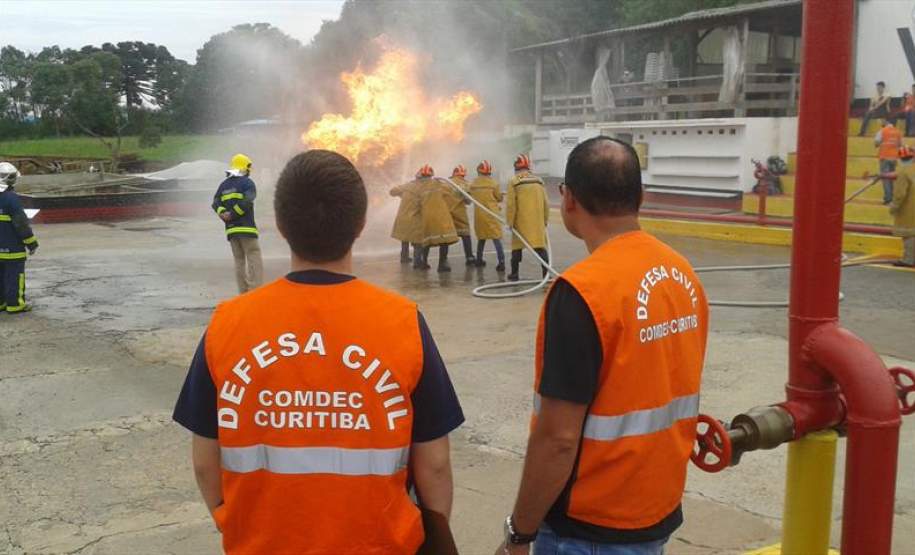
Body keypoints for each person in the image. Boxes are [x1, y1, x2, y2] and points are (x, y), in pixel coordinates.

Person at [173, 150, 464, 554]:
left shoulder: (229, 324)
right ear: (361, 225)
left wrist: (238, 524)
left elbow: (206, 462)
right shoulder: (402, 323)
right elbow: (434, 464)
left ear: (279, 224)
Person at [495, 137, 709, 555]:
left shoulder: (582, 292)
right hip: (655, 509)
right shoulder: (681, 274)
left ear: (568, 199)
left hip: (590, 526)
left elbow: (557, 437)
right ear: (640, 197)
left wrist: (519, 533)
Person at [212, 153, 263, 293]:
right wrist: (233, 214)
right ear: (243, 168)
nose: (248, 172)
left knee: (239, 260)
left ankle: (243, 291)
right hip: (247, 228)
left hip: (231, 230)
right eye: (247, 169)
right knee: (253, 256)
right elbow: (248, 200)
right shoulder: (247, 183)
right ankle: (255, 290)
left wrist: (223, 213)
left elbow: (215, 202)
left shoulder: (223, 185)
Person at [0, 162, 38, 314]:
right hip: (13, 249)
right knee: (14, 277)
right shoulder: (12, 199)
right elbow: (21, 225)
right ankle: (15, 304)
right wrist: (32, 243)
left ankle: (1, 303)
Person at [506, 154, 550, 282]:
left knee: (516, 248)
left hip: (521, 222)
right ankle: (546, 274)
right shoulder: (539, 181)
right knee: (540, 248)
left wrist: (510, 222)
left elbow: (511, 205)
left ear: (516, 167)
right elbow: (545, 202)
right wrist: (545, 220)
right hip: (537, 222)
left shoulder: (514, 182)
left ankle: (514, 274)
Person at [415, 164, 459, 273]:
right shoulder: (439, 184)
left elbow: (416, 204)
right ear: (432, 175)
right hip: (440, 217)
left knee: (427, 241)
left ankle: (423, 262)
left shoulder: (418, 187)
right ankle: (442, 264)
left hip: (426, 217)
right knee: (444, 241)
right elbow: (452, 191)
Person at [470, 160, 506, 271]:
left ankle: (479, 260)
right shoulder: (493, 184)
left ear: (478, 171)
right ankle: (501, 262)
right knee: (496, 238)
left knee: (481, 238)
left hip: (480, 215)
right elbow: (499, 198)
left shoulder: (473, 184)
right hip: (492, 215)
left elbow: (469, 195)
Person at [888, 146, 915, 267]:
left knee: (909, 234)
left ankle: (908, 260)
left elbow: (900, 194)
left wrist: (894, 207)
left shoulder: (904, 172)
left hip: (909, 208)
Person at [446, 165, 476, 265]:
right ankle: (469, 257)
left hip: (447, 213)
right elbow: (468, 201)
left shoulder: (446, 182)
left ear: (453, 173)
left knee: (446, 237)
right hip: (460, 214)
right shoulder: (466, 184)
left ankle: (443, 261)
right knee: (465, 235)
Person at [390, 171, 423, 264]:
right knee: (418, 240)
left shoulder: (407, 186)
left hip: (403, 217)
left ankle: (404, 257)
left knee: (405, 239)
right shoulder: (422, 188)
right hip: (414, 218)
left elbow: (392, 191)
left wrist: (401, 194)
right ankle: (417, 261)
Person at [875, 117, 902, 204]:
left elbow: (876, 142)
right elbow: (900, 144)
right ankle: (893, 198)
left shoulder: (883, 130)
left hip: (884, 157)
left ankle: (888, 199)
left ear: (887, 122)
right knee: (892, 178)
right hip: (894, 157)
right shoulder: (898, 132)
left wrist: (879, 145)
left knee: (885, 178)